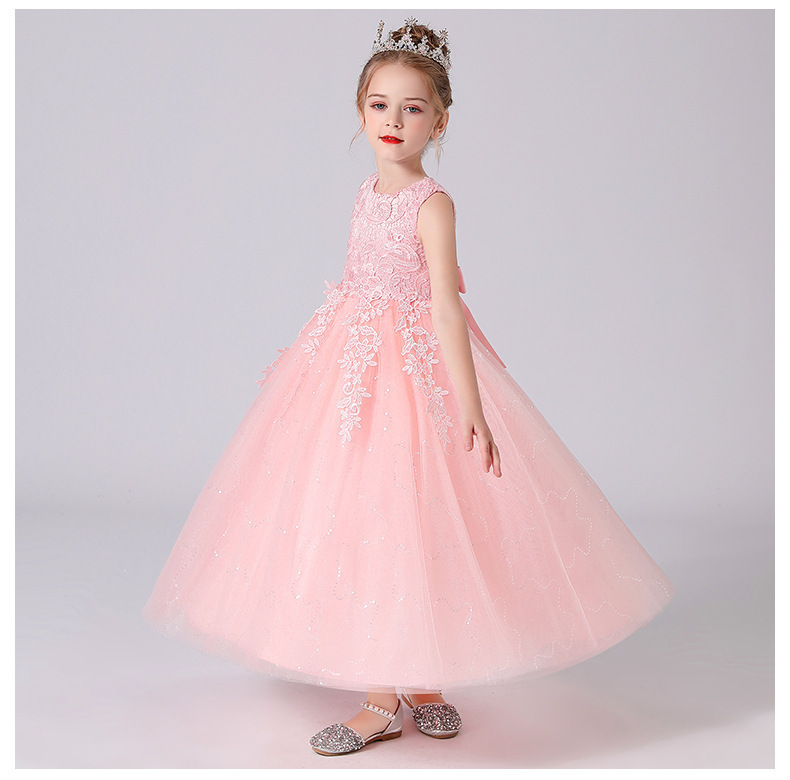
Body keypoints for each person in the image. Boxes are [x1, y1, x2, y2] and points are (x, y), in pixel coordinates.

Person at [142, 18, 675, 757]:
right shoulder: (365, 192)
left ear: (440, 121)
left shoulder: (433, 203)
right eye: (379, 105)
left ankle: (421, 682)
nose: (394, 120)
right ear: (360, 112)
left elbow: (445, 306)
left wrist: (472, 405)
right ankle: (381, 698)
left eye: (413, 108)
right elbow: (362, 280)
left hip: (415, 369)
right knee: (361, 511)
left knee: (419, 513)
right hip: (349, 363)